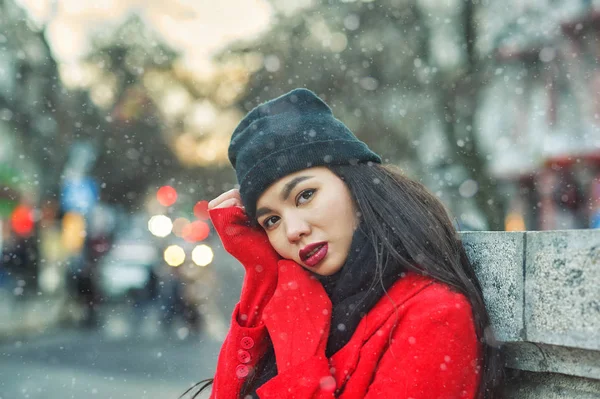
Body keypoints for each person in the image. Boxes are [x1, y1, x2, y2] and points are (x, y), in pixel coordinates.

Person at [183, 88, 504, 398]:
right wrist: (262, 273)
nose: (292, 231)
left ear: (355, 186)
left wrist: (300, 347)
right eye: (271, 220)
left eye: (305, 195)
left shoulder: (434, 314)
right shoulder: (305, 298)